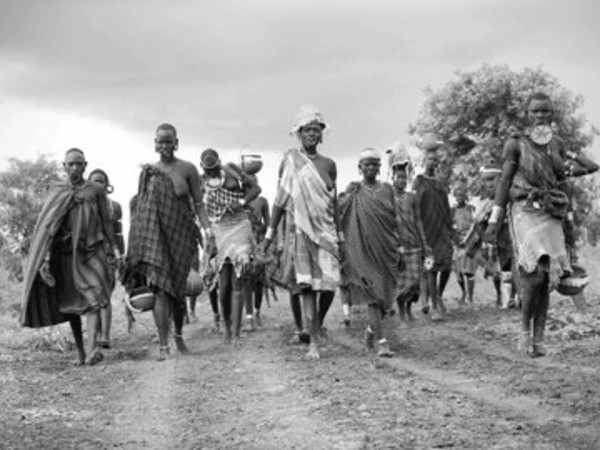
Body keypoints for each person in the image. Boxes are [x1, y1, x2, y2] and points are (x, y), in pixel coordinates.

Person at [485, 92, 572, 357]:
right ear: (527, 114)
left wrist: (569, 218)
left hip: (551, 212)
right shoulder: (516, 143)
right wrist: (493, 219)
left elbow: (562, 181)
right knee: (533, 275)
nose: (540, 116)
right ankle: (524, 331)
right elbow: (504, 181)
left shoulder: (556, 144)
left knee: (547, 279)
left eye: (545, 111)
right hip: (524, 210)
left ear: (552, 114)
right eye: (535, 111)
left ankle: (539, 337)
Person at [123, 123, 214, 360]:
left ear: (176, 143)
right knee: (162, 289)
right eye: (160, 141)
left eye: (168, 141)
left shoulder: (188, 169)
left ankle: (179, 335)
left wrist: (208, 232)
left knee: (178, 289)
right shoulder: (149, 174)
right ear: (155, 144)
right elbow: (141, 210)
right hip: (157, 239)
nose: (164, 145)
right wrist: (135, 245)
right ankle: (164, 344)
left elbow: (198, 204)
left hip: (182, 235)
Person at [21, 148, 119, 365]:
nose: (75, 167)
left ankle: (94, 349)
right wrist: (43, 258)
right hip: (64, 254)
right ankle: (81, 353)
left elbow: (106, 221)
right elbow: (47, 226)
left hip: (92, 250)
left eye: (79, 164)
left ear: (86, 165)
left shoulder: (95, 190)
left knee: (94, 299)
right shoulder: (56, 190)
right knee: (71, 303)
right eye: (71, 164)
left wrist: (115, 250)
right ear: (63, 166)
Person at [260, 106, 341, 360]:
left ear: (321, 134)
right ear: (299, 134)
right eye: (307, 130)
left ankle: (315, 323)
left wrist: (341, 236)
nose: (312, 134)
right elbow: (280, 201)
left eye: (316, 130)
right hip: (301, 232)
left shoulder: (329, 164)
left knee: (329, 287)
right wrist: (269, 236)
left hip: (326, 233)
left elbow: (333, 202)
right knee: (306, 287)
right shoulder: (291, 162)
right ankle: (313, 342)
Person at [340, 148, 400, 357]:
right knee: (374, 296)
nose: (371, 168)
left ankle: (370, 331)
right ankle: (382, 341)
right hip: (363, 251)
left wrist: (399, 242)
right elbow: (342, 216)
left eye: (375, 164)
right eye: (367, 164)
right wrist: (346, 195)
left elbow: (395, 218)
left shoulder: (387, 189)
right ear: (360, 168)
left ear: (380, 167)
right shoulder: (354, 191)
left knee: (385, 299)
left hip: (386, 249)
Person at [200, 148, 261, 346]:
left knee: (238, 281)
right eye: (208, 170)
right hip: (219, 230)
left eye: (214, 168)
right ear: (203, 168)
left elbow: (255, 189)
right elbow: (199, 209)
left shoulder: (232, 170)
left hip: (240, 225)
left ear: (219, 163)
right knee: (223, 285)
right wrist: (207, 235)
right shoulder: (201, 183)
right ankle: (226, 326)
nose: (212, 173)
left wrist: (241, 201)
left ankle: (236, 333)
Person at [412, 135, 454, 320]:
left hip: (441, 230)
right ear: (424, 161)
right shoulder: (418, 181)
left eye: (435, 160)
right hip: (425, 230)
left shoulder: (440, 182)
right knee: (430, 269)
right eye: (429, 159)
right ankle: (434, 307)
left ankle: (437, 295)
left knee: (446, 267)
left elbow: (445, 206)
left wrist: (450, 229)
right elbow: (414, 205)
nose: (432, 162)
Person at [391, 155, 432, 323]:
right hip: (398, 246)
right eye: (398, 177)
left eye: (404, 178)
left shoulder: (411, 197)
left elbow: (418, 221)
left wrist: (424, 243)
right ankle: (401, 313)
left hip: (414, 243)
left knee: (414, 282)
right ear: (392, 178)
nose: (401, 180)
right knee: (402, 283)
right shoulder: (388, 196)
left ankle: (409, 310)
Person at [88, 169, 125, 349]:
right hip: (87, 256)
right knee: (92, 297)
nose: (98, 184)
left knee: (105, 295)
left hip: (109, 255)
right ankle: (94, 336)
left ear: (107, 184)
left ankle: (105, 336)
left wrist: (121, 256)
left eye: (101, 181)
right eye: (94, 181)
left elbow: (118, 233)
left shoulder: (114, 207)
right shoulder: (83, 205)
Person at [247, 176, 270, 328]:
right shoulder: (240, 200)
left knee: (258, 282)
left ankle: (256, 312)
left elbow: (269, 223)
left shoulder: (262, 201)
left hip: (259, 244)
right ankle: (249, 317)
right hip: (243, 243)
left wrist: (259, 229)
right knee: (245, 280)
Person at [451, 186, 477, 304]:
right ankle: (463, 292)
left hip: (469, 241)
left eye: (462, 195)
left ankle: (470, 297)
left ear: (465, 196)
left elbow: (474, 225)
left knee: (469, 271)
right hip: (457, 242)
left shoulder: (471, 209)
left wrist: (468, 240)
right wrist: (455, 240)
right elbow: (451, 227)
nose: (459, 197)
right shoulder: (452, 210)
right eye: (457, 195)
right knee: (458, 271)